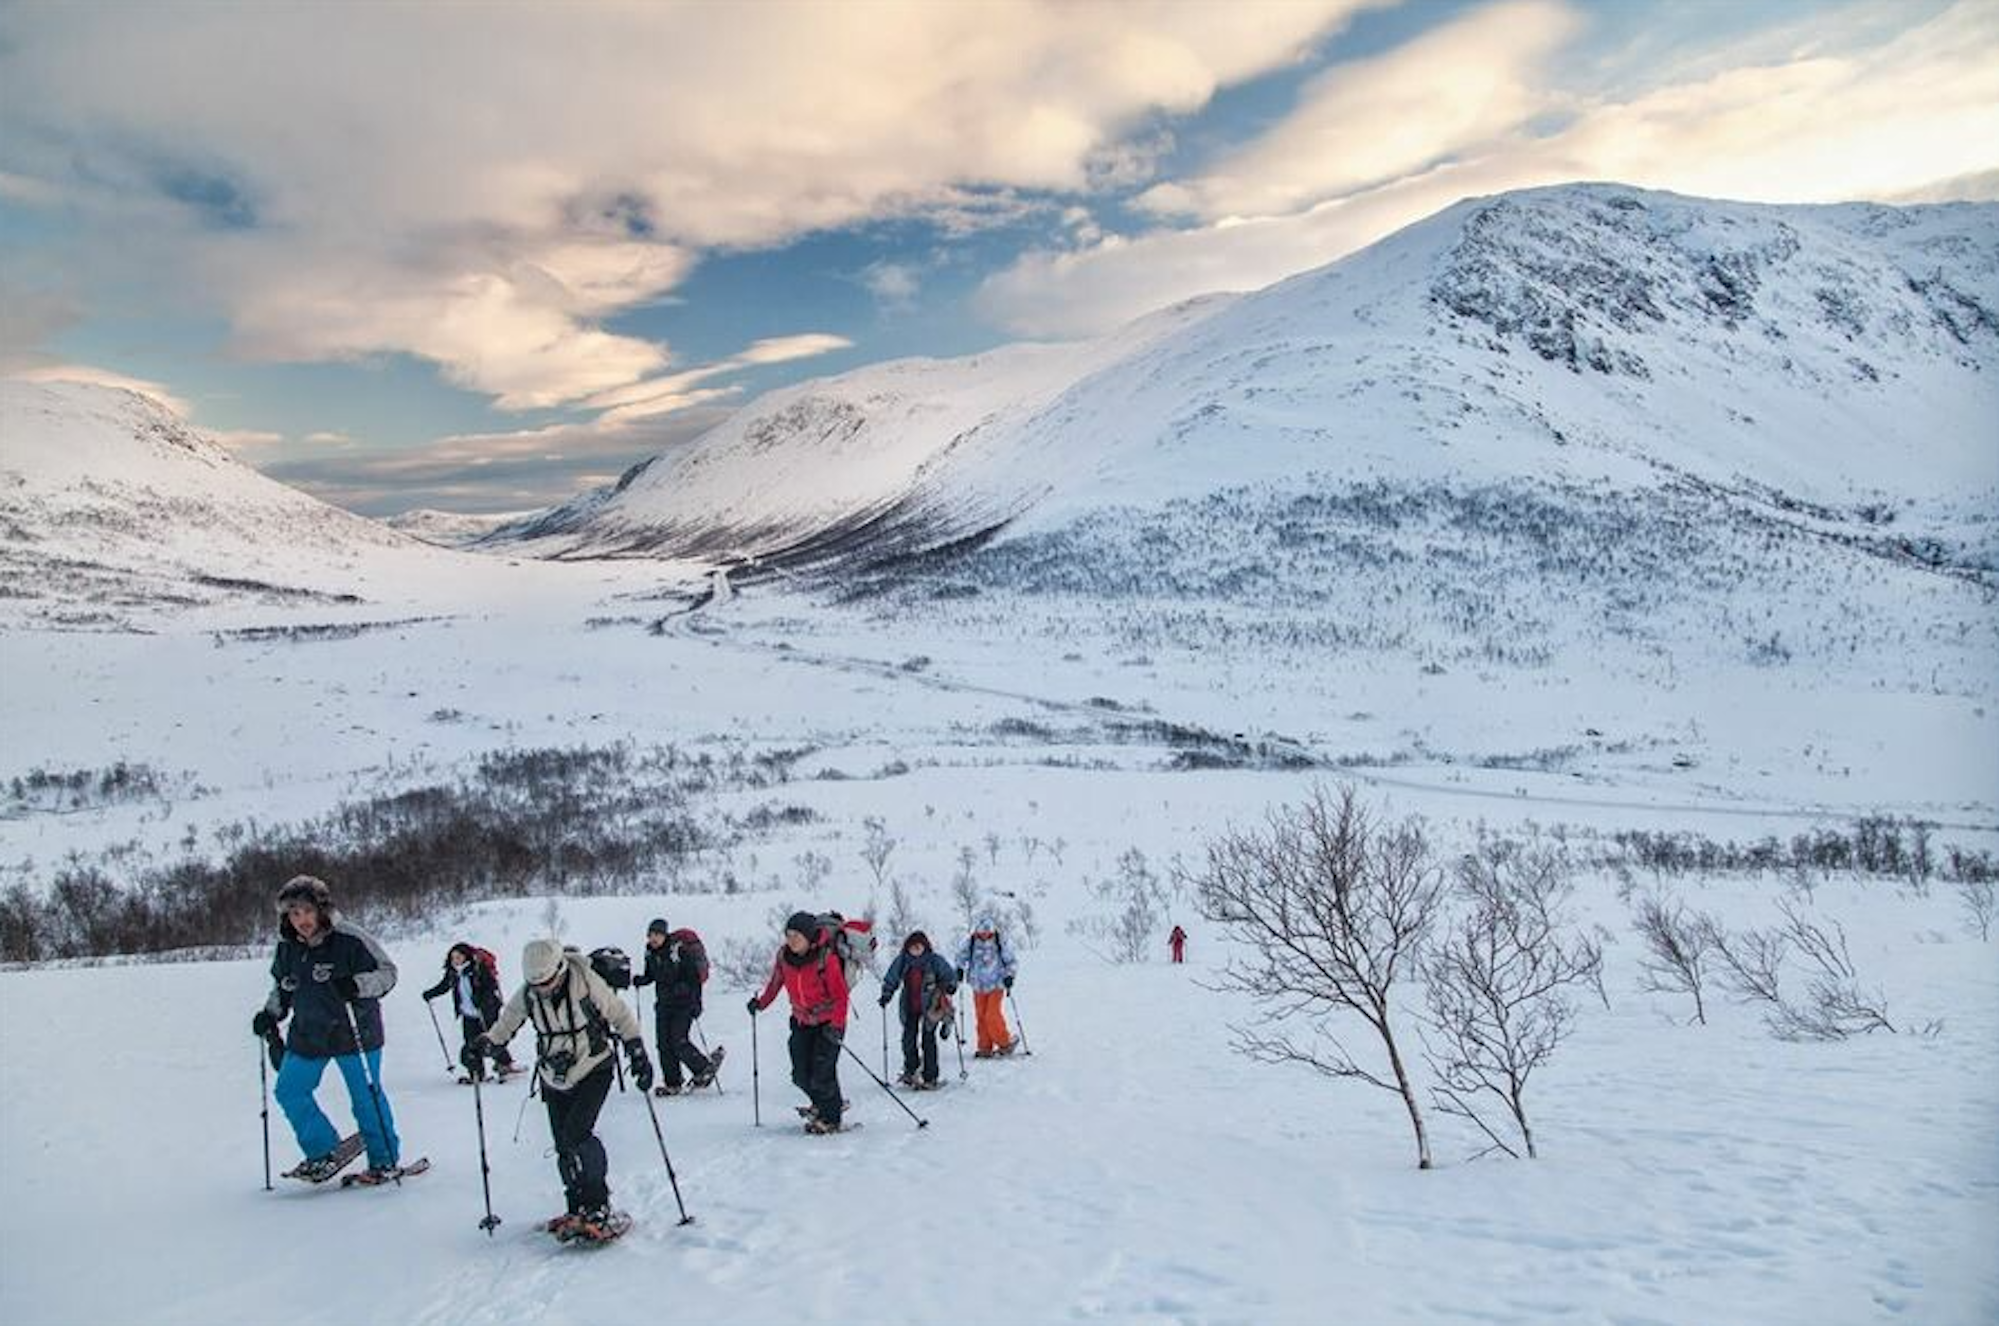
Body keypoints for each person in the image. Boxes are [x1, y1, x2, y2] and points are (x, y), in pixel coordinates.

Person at [481, 938, 651, 1238]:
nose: (543, 989)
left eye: (548, 982)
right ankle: (576, 1206)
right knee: (562, 1143)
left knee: (578, 1135)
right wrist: (487, 1044)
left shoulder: (585, 979)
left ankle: (598, 1206)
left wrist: (636, 1050)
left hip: (593, 1066)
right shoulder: (529, 993)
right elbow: (508, 1020)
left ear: (560, 969)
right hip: (553, 1074)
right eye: (537, 985)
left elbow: (619, 1013)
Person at [251, 874, 403, 1183]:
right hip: (309, 1033)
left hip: (355, 1032)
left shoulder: (350, 938)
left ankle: (384, 1160)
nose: (302, 920)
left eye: (307, 911)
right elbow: (284, 987)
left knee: (365, 1097)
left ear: (321, 909)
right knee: (290, 1090)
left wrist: (357, 985)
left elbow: (388, 974)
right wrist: (270, 1014)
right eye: (294, 914)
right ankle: (321, 1149)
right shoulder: (287, 948)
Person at [748, 911, 850, 1133]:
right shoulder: (784, 957)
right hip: (802, 1020)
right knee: (800, 1075)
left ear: (809, 936)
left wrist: (837, 1025)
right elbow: (775, 983)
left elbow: (841, 996)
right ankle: (826, 1103)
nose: (791, 940)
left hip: (828, 1022)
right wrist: (761, 1003)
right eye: (788, 934)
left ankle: (831, 1118)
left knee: (823, 1072)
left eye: (797, 935)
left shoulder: (826, 958)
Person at [632, 918, 722, 1095]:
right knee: (663, 1044)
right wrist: (640, 980)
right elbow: (651, 975)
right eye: (651, 935)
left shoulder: (678, 951)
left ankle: (703, 1068)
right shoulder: (650, 953)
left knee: (678, 1041)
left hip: (684, 1004)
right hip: (664, 1004)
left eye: (658, 935)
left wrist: (696, 1003)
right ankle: (672, 1082)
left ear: (665, 935)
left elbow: (694, 978)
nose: (654, 939)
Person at [420, 943, 515, 1083]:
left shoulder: (478, 969)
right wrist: (430, 994)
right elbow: (444, 986)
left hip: (486, 1012)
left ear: (466, 956)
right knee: (471, 1044)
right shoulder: (453, 972)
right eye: (453, 957)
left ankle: (505, 1066)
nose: (455, 960)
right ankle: (476, 1073)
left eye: (458, 957)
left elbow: (491, 986)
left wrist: (481, 999)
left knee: (492, 1040)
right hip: (468, 1014)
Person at [877, 930, 957, 1089]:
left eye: (918, 947)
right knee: (908, 1039)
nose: (915, 950)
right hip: (910, 1006)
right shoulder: (903, 961)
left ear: (925, 947)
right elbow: (892, 977)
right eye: (912, 948)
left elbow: (949, 974)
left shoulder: (934, 960)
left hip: (930, 1006)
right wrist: (887, 994)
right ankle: (911, 1069)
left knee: (928, 1040)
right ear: (907, 948)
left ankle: (930, 1076)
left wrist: (950, 985)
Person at [955, 915, 1019, 1059]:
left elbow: (1011, 961)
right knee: (981, 1016)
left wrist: (1009, 976)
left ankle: (1005, 1043)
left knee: (992, 1015)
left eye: (987, 932)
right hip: (977, 985)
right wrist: (959, 969)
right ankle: (985, 1047)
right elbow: (960, 957)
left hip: (997, 983)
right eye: (982, 932)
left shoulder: (1000, 941)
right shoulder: (970, 941)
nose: (984, 935)